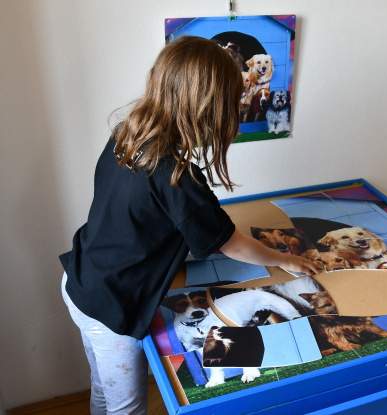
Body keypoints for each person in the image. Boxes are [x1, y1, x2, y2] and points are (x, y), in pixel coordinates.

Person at [59, 36, 318, 415]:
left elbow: (146, 214)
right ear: (209, 108)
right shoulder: (176, 176)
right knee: (125, 409)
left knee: (102, 389)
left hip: (79, 278)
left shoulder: (127, 134)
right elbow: (231, 243)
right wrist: (285, 258)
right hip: (110, 307)